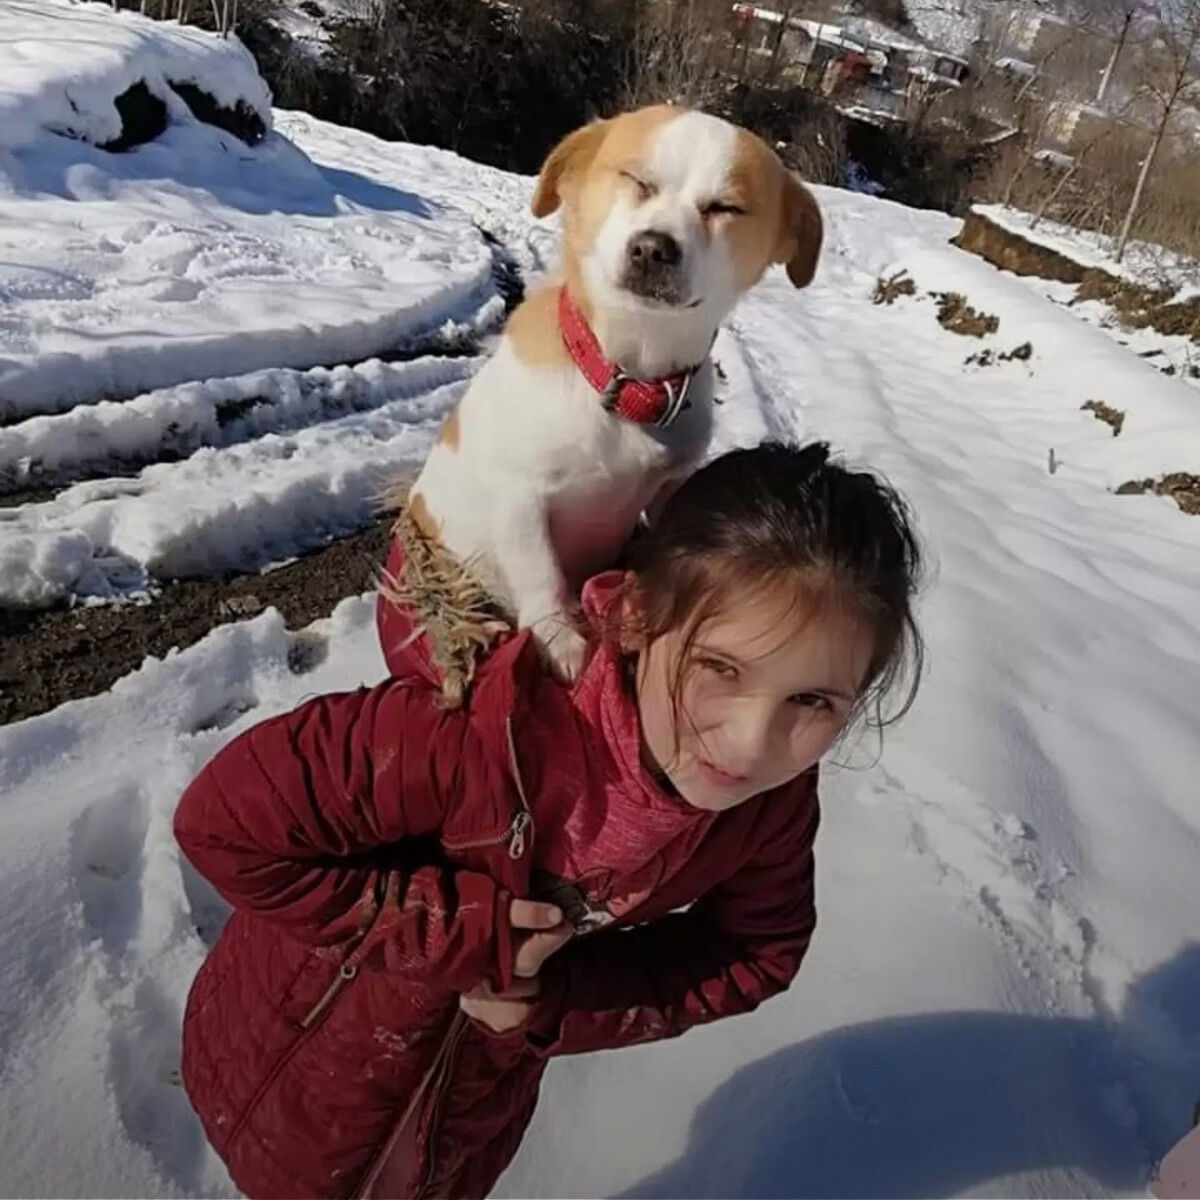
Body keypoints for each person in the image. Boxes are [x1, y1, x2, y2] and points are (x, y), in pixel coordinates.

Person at [175, 440, 924, 1200]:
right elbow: (222, 825)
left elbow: (758, 948)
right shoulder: (476, 732)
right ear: (633, 614)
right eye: (720, 668)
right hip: (300, 1064)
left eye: (812, 701)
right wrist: (459, 935)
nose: (751, 743)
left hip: (465, 1116)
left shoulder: (768, 807)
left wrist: (550, 1002)